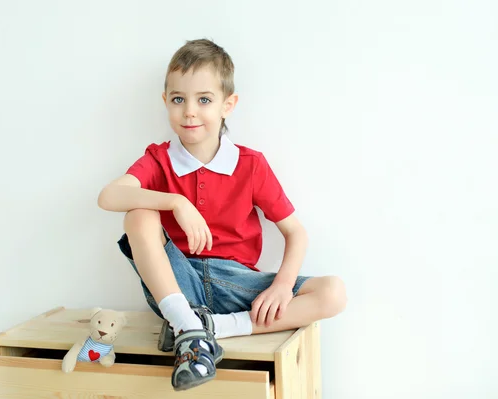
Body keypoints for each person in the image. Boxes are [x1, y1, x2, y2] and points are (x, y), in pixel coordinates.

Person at [97, 38, 347, 391]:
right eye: (178, 99)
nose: (189, 111)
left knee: (333, 292)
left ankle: (203, 331)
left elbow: (296, 232)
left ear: (228, 105)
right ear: (166, 101)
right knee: (138, 213)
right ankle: (186, 322)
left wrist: (280, 286)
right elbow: (108, 196)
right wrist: (175, 202)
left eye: (204, 100)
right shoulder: (158, 159)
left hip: (236, 286)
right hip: (177, 283)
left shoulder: (251, 164)